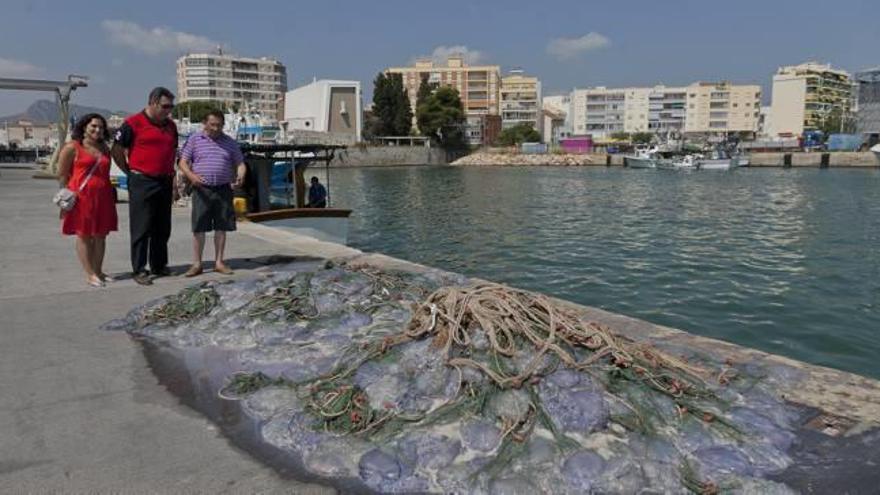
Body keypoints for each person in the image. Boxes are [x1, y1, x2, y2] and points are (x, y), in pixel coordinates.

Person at [110, 87, 178, 285]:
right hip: (142, 180)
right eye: (165, 106)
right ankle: (139, 269)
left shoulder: (171, 126)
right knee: (141, 227)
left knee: (162, 226)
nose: (169, 110)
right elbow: (116, 150)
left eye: (171, 106)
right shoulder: (133, 123)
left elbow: (172, 152)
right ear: (153, 102)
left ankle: (159, 265)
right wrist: (129, 172)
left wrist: (173, 179)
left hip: (164, 180)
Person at [177, 110, 245, 277]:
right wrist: (191, 176)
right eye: (212, 124)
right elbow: (183, 162)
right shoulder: (194, 140)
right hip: (202, 189)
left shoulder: (230, 142)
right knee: (199, 227)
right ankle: (197, 263)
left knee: (221, 227)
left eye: (219, 125)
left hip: (223, 188)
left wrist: (241, 174)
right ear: (205, 123)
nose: (216, 128)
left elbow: (240, 163)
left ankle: (219, 262)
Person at [57, 113, 118, 288]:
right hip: (82, 198)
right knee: (84, 235)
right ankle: (90, 273)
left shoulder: (105, 148)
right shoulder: (72, 147)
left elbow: (105, 172)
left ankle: (98, 271)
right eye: (93, 126)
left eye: (101, 127)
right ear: (84, 127)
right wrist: (64, 200)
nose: (98, 130)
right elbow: (62, 174)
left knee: (101, 235)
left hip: (104, 197)